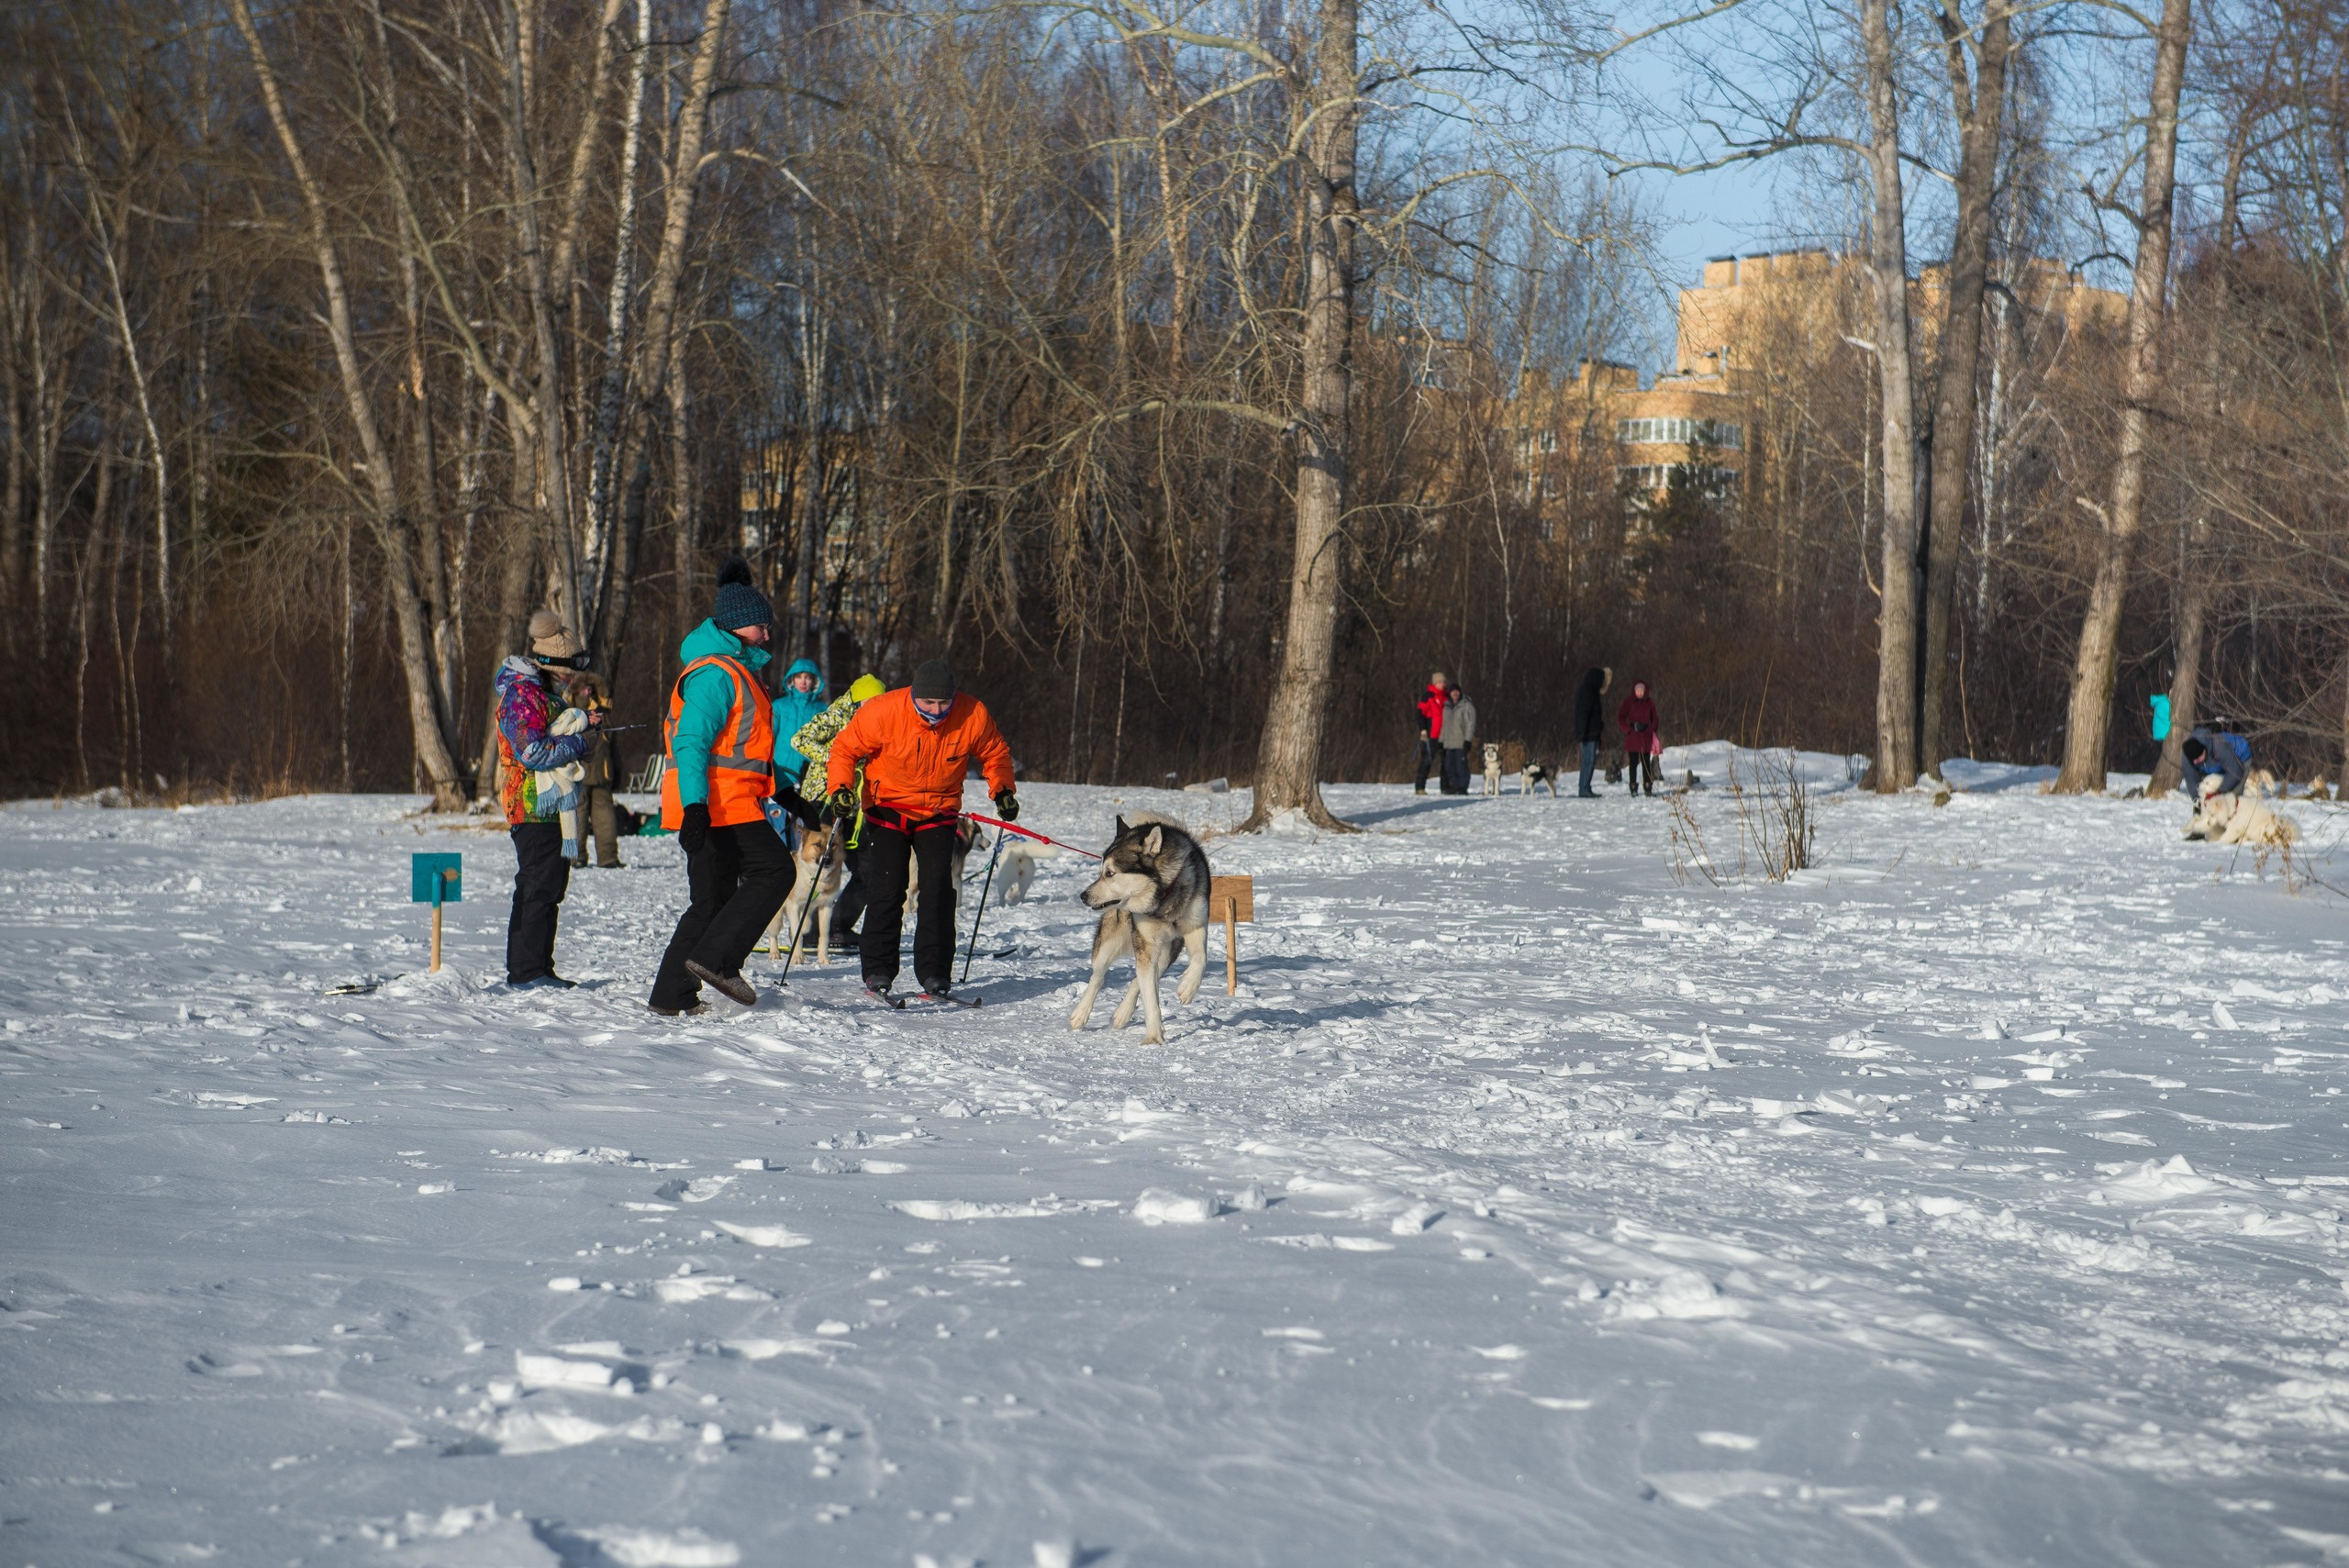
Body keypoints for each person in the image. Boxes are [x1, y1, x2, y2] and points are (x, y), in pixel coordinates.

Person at [647, 559, 810, 1016]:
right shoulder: (716, 674)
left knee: (711, 900)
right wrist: (696, 808)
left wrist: (787, 794)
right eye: (762, 626)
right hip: (717, 802)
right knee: (774, 871)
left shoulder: (739, 673)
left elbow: (746, 750)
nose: (768, 635)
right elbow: (692, 744)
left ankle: (670, 995)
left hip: (725, 797)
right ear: (739, 628)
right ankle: (718, 962)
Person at [824, 657, 1015, 1000]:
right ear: (914, 695)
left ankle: (935, 972)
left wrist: (1002, 790)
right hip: (888, 809)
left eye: (944, 702)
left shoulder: (972, 714)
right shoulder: (884, 711)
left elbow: (995, 754)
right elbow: (844, 749)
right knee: (887, 888)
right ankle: (878, 970)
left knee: (938, 890)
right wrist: (840, 788)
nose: (936, 710)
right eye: (928, 702)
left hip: (939, 810)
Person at [496, 610, 602, 989]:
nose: (573, 677)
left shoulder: (549, 696)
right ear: (551, 664)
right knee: (537, 887)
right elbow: (533, 752)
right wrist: (576, 739)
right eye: (569, 669)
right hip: (531, 806)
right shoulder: (521, 694)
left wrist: (587, 734)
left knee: (550, 889)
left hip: (555, 807)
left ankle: (540, 967)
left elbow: (566, 744)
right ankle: (526, 972)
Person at [788, 672, 888, 950]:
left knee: (869, 869)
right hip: (822, 801)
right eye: (872, 703)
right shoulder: (837, 716)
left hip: (856, 806)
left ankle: (836, 927)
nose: (877, 709)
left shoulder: (881, 724)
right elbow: (799, 739)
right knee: (818, 867)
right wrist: (835, 756)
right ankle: (806, 930)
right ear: (858, 701)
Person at [566, 668, 627, 868]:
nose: (587, 693)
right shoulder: (603, 716)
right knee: (591, 815)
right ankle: (595, 857)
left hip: (586, 772)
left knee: (586, 815)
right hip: (595, 772)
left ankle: (586, 857)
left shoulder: (572, 714)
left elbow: (615, 747)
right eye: (585, 689)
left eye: (588, 689)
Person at [771, 659, 828, 795]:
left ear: (814, 681)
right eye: (799, 677)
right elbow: (768, 736)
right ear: (792, 679)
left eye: (807, 677)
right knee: (778, 815)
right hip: (781, 770)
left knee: (806, 814)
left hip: (810, 774)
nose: (803, 682)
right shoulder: (779, 706)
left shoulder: (822, 709)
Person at [1572, 666, 1613, 796]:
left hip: (1591, 733)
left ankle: (1585, 787)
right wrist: (1582, 734)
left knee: (1589, 761)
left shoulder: (1588, 691)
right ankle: (1584, 788)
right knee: (1588, 761)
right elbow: (1584, 714)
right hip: (1589, 735)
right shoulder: (1588, 692)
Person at [1617, 678, 1661, 796]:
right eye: (1638, 691)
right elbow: (1621, 717)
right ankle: (1633, 787)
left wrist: (1651, 729)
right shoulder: (1629, 702)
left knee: (1646, 763)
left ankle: (1647, 787)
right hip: (1633, 737)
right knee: (1633, 763)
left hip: (1646, 736)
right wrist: (1628, 729)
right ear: (1634, 691)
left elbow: (1655, 718)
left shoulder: (1649, 703)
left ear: (1645, 691)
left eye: (1642, 690)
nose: (1640, 693)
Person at [2182, 725, 2248, 799]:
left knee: (2233, 797)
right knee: (2207, 795)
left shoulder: (2219, 746)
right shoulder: (2188, 755)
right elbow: (2191, 780)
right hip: (2216, 764)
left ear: (2204, 750)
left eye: (2198, 758)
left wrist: (2219, 792)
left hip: (2240, 759)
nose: (2195, 762)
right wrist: (2197, 800)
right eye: (2193, 760)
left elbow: (2236, 772)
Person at [1413, 670, 1449, 794]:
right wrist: (1423, 729)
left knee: (1446, 763)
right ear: (1434, 683)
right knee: (1426, 761)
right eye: (1439, 682)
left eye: (1443, 682)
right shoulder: (1427, 696)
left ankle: (1445, 788)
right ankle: (1420, 787)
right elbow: (1419, 714)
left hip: (1444, 735)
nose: (1442, 684)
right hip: (1430, 735)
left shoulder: (1446, 696)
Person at [1438, 684, 1477, 795]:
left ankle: (1462, 787)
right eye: (1452, 691)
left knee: (1461, 767)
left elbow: (1470, 724)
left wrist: (1468, 740)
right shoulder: (1446, 707)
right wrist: (1441, 741)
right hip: (1449, 743)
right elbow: (1444, 725)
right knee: (1449, 766)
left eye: (1457, 691)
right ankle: (1454, 786)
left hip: (1460, 742)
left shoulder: (1466, 706)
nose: (1455, 693)